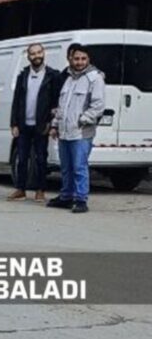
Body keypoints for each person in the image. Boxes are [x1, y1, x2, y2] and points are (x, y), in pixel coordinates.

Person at [48, 45, 105, 214]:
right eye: (76, 58)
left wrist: (82, 120)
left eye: (83, 59)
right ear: (71, 59)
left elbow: (98, 105)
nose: (79, 62)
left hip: (81, 132)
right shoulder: (69, 79)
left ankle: (81, 199)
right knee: (66, 167)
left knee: (79, 167)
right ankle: (66, 196)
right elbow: (61, 106)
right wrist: (55, 125)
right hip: (65, 132)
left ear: (88, 60)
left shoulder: (95, 79)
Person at [9, 43, 57, 202]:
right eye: (32, 53)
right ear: (28, 56)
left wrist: (52, 123)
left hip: (42, 125)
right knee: (21, 159)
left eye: (38, 52)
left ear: (44, 53)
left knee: (41, 158)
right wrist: (14, 123)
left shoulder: (52, 76)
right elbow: (16, 101)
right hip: (23, 125)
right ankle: (20, 189)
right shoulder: (22, 76)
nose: (36, 56)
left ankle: (41, 190)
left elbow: (55, 102)